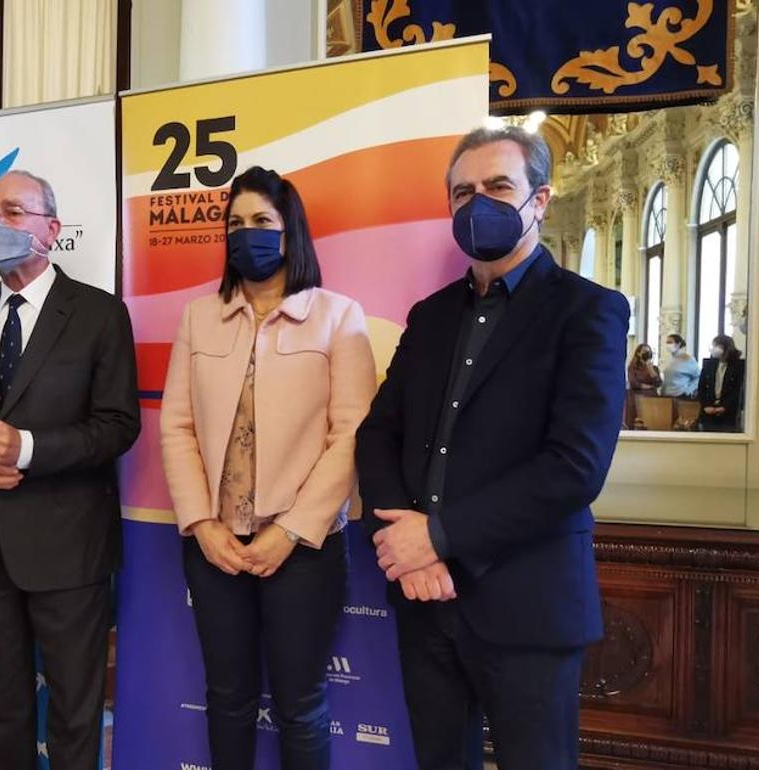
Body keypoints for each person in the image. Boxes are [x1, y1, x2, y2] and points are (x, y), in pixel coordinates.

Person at [355, 126, 628, 770]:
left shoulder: (589, 312)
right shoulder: (431, 315)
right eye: (462, 192)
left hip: (526, 603)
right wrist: (406, 544)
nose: (478, 203)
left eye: (498, 187)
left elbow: (574, 467)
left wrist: (439, 538)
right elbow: (378, 433)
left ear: (540, 199)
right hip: (424, 600)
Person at [0, 170, 140, 770]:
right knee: (1, 700)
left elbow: (119, 425)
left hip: (70, 548)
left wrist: (28, 448)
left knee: (74, 706)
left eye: (13, 212)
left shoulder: (99, 314)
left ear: (52, 229)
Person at [160, 166, 377, 770]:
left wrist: (291, 530)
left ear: (290, 233)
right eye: (235, 224)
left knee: (300, 704)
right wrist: (203, 524)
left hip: (303, 548)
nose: (246, 234)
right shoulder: (199, 317)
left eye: (262, 222)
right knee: (226, 699)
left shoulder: (338, 316)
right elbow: (176, 426)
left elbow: (351, 435)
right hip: (216, 545)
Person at [699, 333, 745, 431]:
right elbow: (701, 387)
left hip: (729, 413)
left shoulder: (738, 366)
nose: (714, 349)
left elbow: (738, 389)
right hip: (708, 412)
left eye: (717, 346)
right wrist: (706, 405)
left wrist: (724, 406)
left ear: (727, 348)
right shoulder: (709, 364)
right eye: (713, 346)